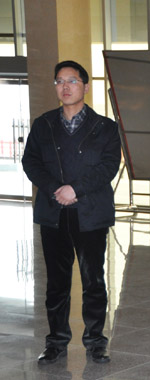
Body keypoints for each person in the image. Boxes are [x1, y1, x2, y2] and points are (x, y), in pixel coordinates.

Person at [22, 60, 122, 364]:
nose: (65, 87)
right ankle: (56, 341)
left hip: (90, 214)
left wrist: (75, 189)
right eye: (59, 81)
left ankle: (95, 341)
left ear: (85, 87)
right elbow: (31, 162)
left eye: (72, 81)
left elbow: (108, 166)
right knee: (56, 283)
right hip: (53, 213)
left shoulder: (105, 127)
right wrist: (57, 189)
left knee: (94, 281)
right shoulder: (43, 124)